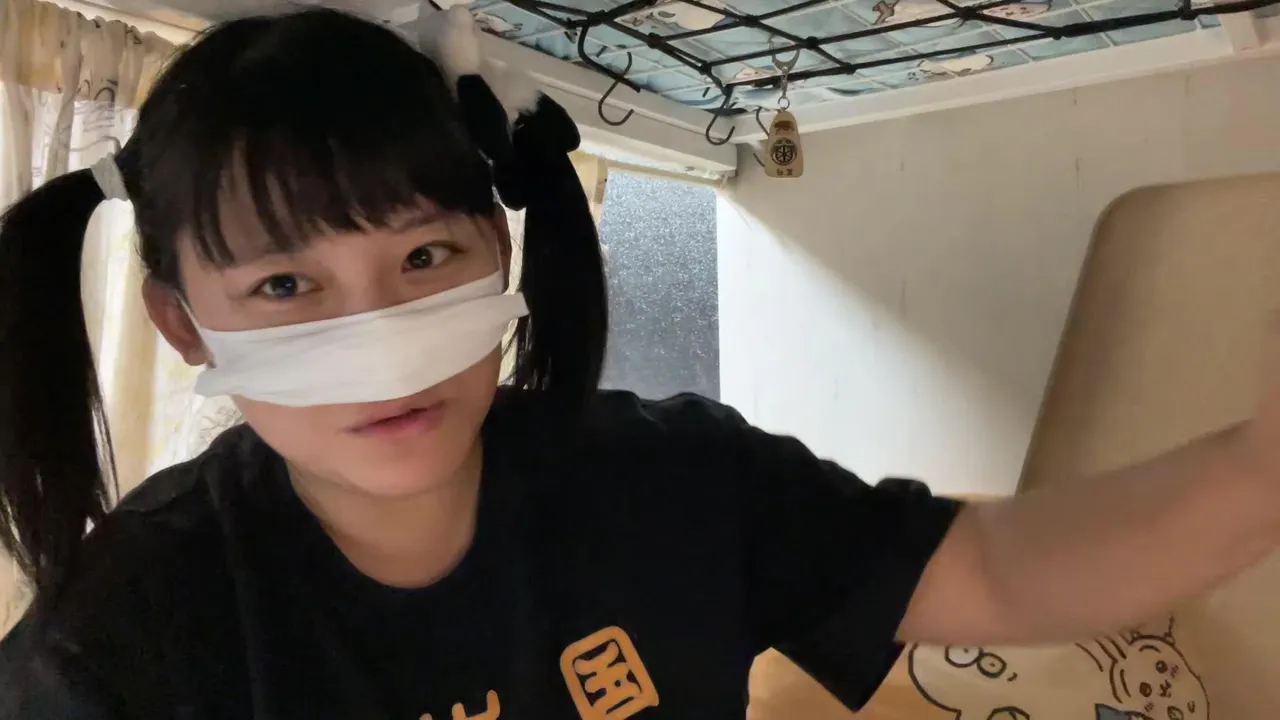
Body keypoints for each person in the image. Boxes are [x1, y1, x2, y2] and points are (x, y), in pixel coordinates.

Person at [0, 6, 1275, 719]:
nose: (381, 344)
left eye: (425, 257)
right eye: (286, 286)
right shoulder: (126, 639)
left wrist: (1258, 467)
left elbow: (985, 572)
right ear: (183, 322)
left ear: (498, 252)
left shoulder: (672, 479)